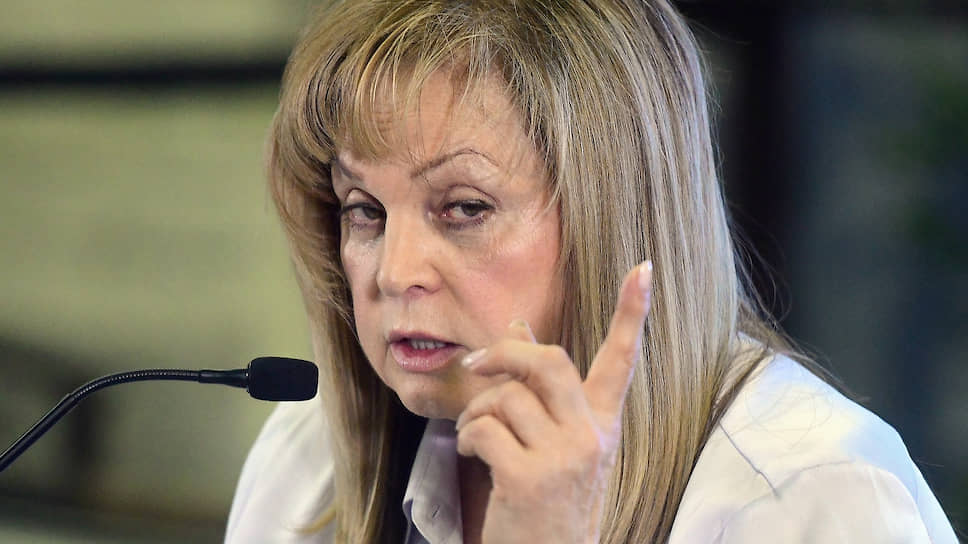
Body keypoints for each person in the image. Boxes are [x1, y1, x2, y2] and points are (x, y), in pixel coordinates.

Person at [225, 1, 958, 542]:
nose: (395, 273)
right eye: (365, 211)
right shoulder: (310, 456)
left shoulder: (815, 493)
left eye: (465, 208)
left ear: (618, 214)